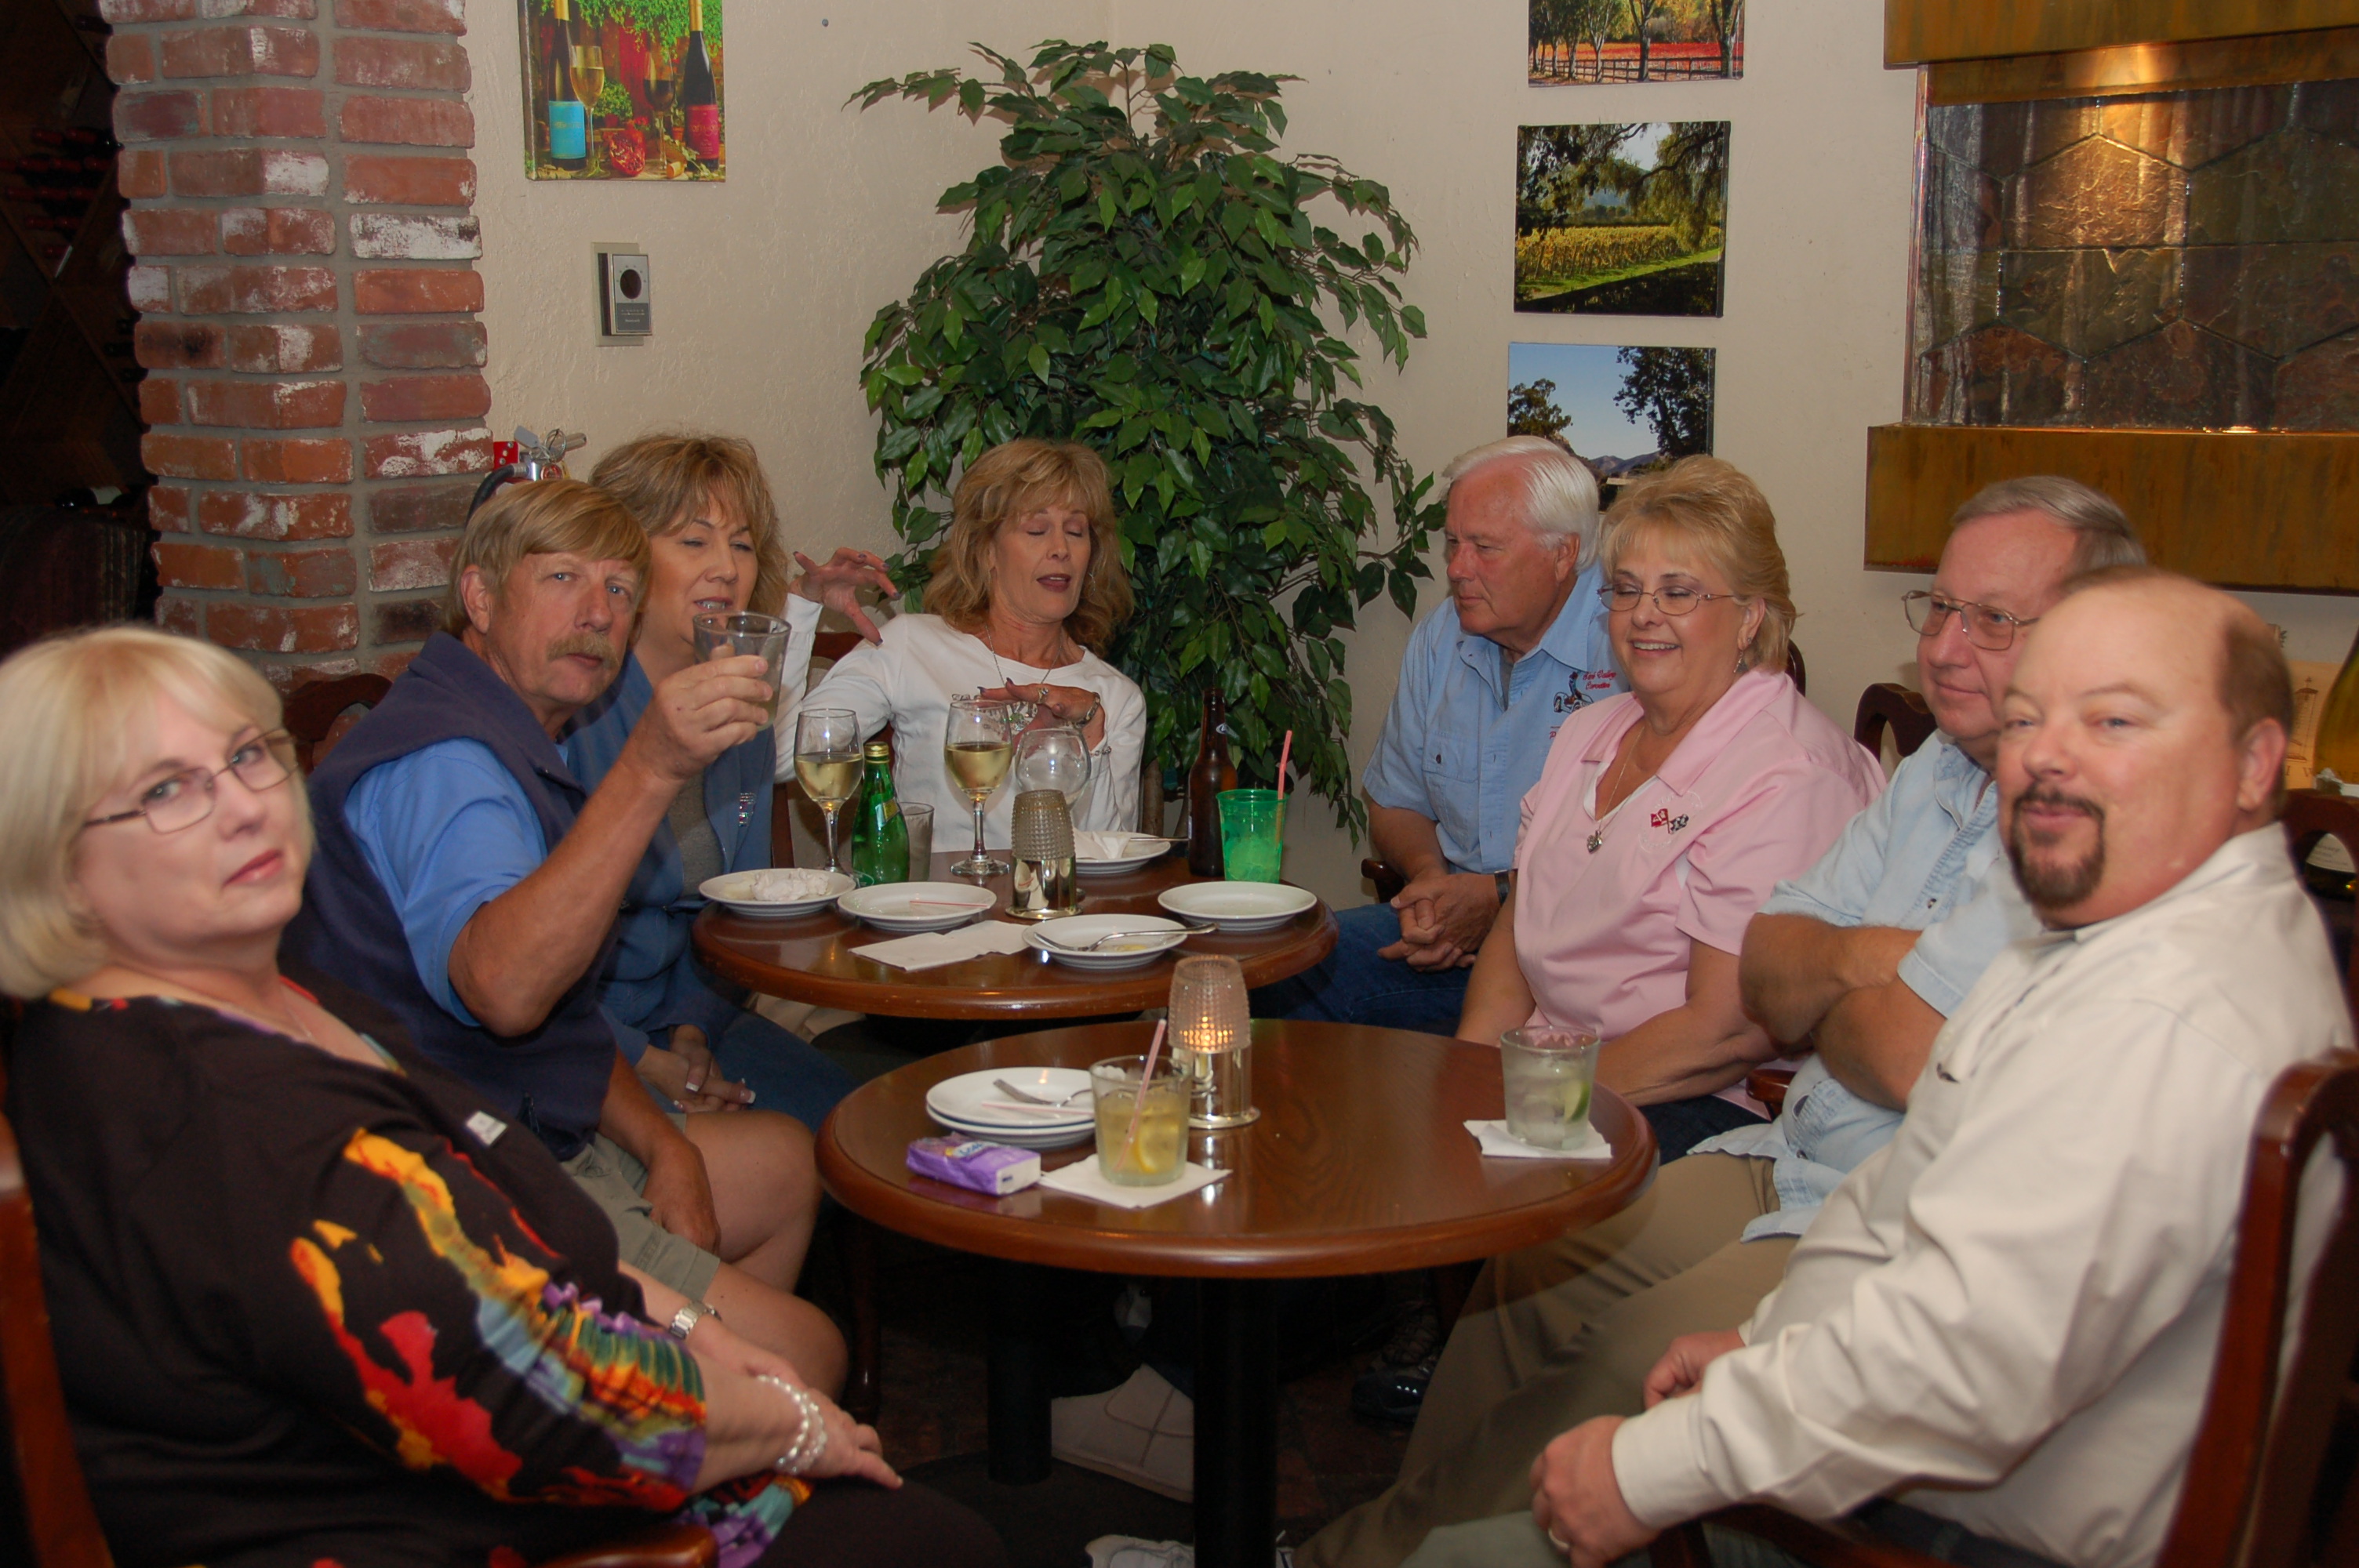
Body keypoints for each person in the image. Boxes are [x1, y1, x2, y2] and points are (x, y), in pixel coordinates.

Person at [0, 625, 1008, 1568]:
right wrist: (788, 1421)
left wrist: (713, 1343)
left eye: (249, 755)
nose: (240, 802)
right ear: (56, 866)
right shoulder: (225, 1113)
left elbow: (522, 1219)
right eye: (168, 788)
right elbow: (550, 1403)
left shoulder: (277, 1001)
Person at [1406, 569, 2351, 1568]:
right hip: (1918, 1446)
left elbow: (1963, 1366)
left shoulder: (2158, 1009)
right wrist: (1774, 1332)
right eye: (2026, 720)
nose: (2047, 761)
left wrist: (1648, 1471)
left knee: (1479, 1554)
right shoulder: (2105, 935)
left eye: (2113, 722)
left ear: (2253, 763)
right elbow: (1913, 1187)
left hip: (1962, 1529)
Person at [1298, 476, 2146, 1567]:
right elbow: (1785, 972)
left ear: (1753, 618)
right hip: (1790, 1146)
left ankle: (1371, 1557)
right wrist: (1862, 971)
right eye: (1937, 608)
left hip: (1861, 1194)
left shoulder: (2065, 816)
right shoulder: (1934, 766)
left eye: (1992, 620)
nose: (1943, 647)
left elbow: (1795, 1028)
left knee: (1626, 1347)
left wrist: (1840, 983)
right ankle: (1416, 1538)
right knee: (1524, 1274)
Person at [289, 478, 841, 1382]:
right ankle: (676, 1420)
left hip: (524, 1116)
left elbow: (559, 1022)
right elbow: (506, 993)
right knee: (810, 1350)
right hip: (449, 1175)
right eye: (561, 580)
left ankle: (679, 1423)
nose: (596, 613)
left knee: (783, 1162)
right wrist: (652, 765)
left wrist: (663, 1144)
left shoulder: (505, 723)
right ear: (479, 596)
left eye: (619, 589)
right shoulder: (452, 762)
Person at [1455, 456, 1884, 1160]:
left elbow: (1724, 1031)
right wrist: (1468, 1076)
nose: (1644, 614)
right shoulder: (1593, 730)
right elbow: (1513, 928)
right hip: (1551, 1069)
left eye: (1679, 593)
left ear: (1750, 617)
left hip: (1702, 1102)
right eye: (1627, 591)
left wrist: (1529, 1105)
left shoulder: (1789, 775)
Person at [565, 432, 889, 1133]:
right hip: (581, 1041)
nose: (725, 568)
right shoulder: (577, 714)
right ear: (622, 560)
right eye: (693, 541)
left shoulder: (737, 704)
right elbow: (532, 955)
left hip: (690, 1022)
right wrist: (643, 1058)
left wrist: (690, 1031)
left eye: (741, 546)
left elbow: (731, 918)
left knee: (860, 1130)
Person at [1263, 436, 1623, 1033]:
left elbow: (1637, 851)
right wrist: (1430, 881)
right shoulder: (1444, 636)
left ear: (1565, 555)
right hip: (1452, 935)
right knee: (1274, 971)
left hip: (1581, 955)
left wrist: (1500, 897)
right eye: (1454, 543)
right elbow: (1393, 799)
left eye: (1485, 548)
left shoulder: (1628, 639)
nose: (1457, 569)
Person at [780, 437, 1147, 848]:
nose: (1061, 549)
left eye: (1076, 532)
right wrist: (803, 603)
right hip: (931, 906)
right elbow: (782, 759)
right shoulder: (909, 644)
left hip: (1052, 907)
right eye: (1037, 529)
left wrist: (1091, 735)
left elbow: (1110, 859)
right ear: (985, 550)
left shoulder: (1115, 697)